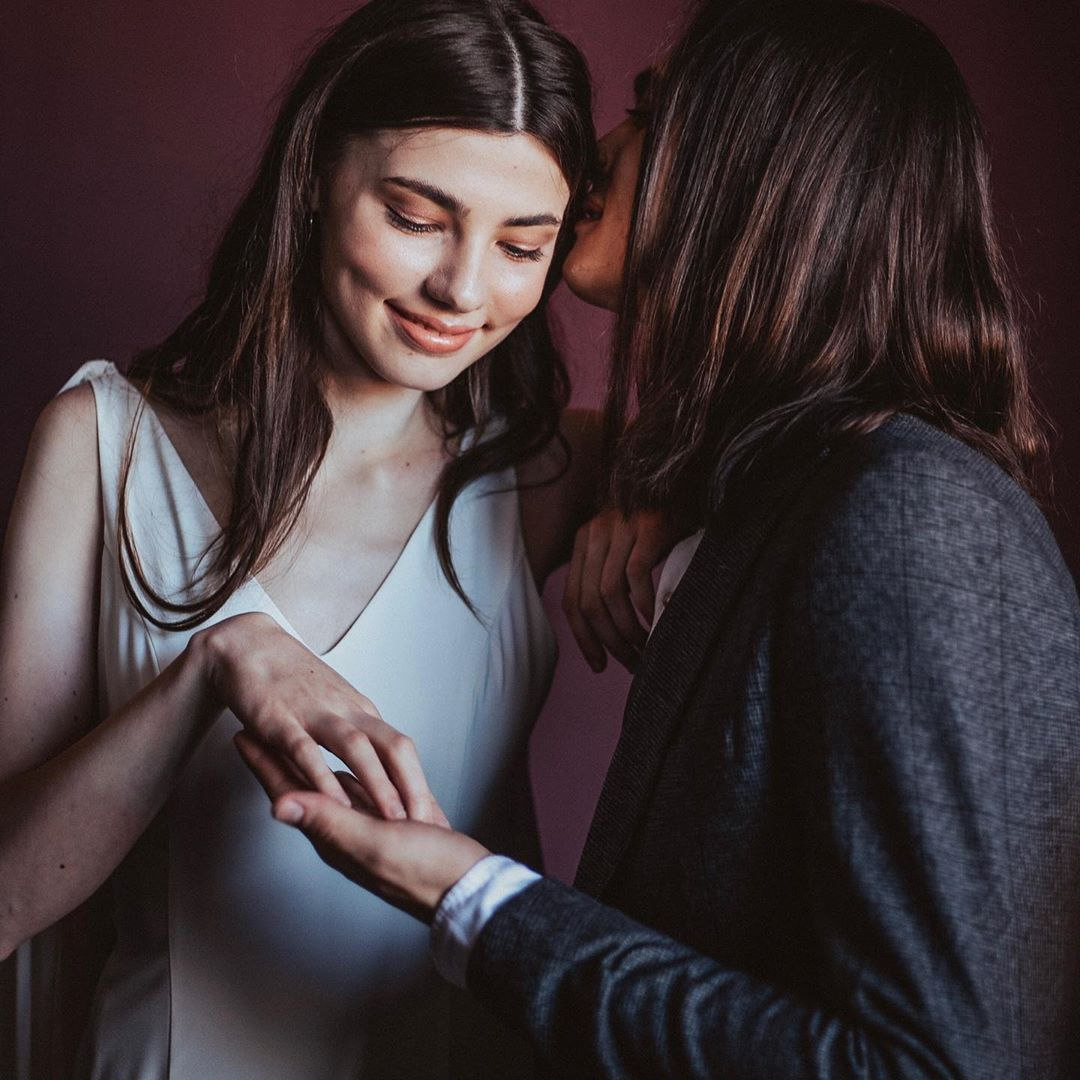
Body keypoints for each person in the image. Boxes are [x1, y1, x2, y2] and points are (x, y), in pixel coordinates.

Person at [240, 1, 1080, 1076]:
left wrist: (475, 896)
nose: (604, 148)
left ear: (756, 170)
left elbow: (927, 1065)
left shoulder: (916, 521)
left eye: (651, 113)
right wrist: (657, 477)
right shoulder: (782, 495)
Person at [0, 0, 666, 1075]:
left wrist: (655, 490)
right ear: (314, 180)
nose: (462, 288)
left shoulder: (556, 474)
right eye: (415, 217)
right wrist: (217, 665)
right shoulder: (99, 450)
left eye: (521, 244)